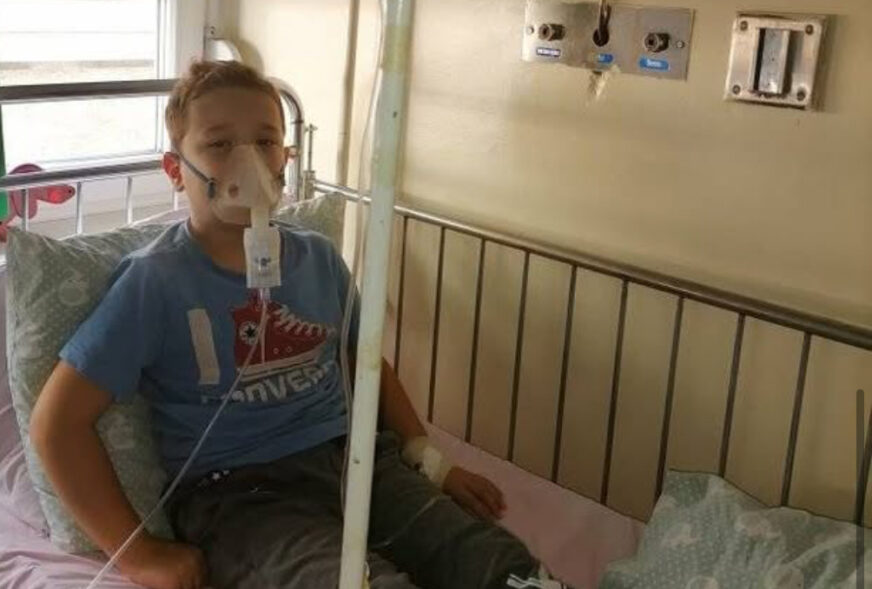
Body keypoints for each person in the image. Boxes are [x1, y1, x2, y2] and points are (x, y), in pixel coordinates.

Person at [30, 61, 550, 589]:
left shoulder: (317, 259)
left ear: (286, 158)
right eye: (219, 144)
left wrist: (430, 463)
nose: (248, 161)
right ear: (175, 169)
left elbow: (364, 362)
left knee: (489, 560)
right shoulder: (155, 282)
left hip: (356, 463)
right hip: (241, 498)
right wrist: (137, 554)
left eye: (265, 141)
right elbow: (57, 424)